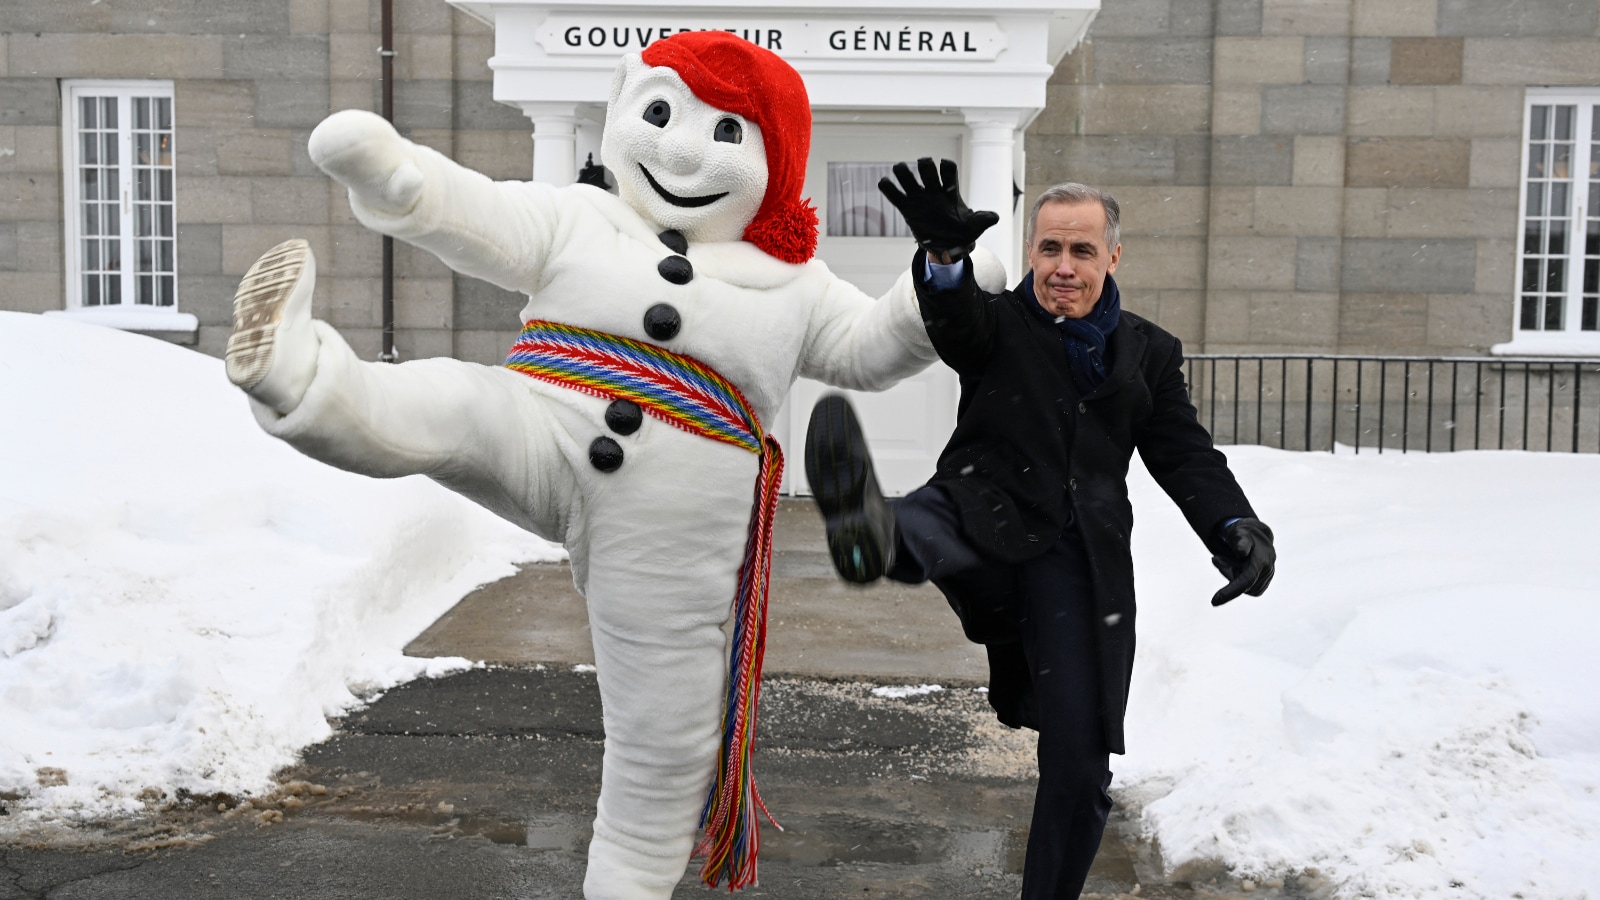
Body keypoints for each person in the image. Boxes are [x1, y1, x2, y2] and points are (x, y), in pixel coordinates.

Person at [224, 37, 1001, 898]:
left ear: (776, 162)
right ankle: (302, 378)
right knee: (455, 406)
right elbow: (484, 217)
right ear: (622, 109)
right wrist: (401, 181)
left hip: (672, 517)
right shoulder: (582, 219)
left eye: (728, 135)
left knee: (664, 732)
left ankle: (626, 885)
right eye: (659, 114)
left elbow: (869, 349)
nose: (682, 151)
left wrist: (942, 272)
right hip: (544, 424)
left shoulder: (795, 283)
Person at [804, 160, 1276, 898]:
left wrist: (1234, 523)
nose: (1062, 267)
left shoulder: (1149, 353)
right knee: (933, 521)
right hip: (983, 514)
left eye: (1081, 250)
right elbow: (955, 321)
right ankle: (876, 536)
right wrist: (945, 257)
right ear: (1030, 251)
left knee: (1080, 769)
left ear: (1112, 256)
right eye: (1049, 248)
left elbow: (1183, 452)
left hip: (1079, 568)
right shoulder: (998, 323)